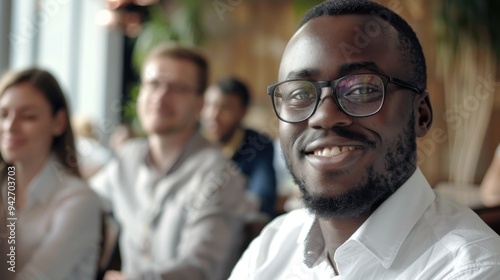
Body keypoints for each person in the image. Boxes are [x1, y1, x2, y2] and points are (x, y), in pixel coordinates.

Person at [230, 1, 500, 279]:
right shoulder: (271, 247)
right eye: (300, 94)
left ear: (421, 114)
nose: (324, 116)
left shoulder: (470, 268)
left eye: (361, 89)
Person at [90, 43, 246, 280]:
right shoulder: (127, 158)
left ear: (200, 104)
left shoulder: (219, 176)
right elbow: (84, 199)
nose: (161, 97)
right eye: (153, 84)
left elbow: (199, 268)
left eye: (178, 88)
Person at [0, 68, 101, 280]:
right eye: (3, 114)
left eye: (28, 116)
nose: (10, 126)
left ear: (58, 122)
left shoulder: (79, 199)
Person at [201, 76, 277, 218]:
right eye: (209, 105)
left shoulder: (258, 145)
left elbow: (263, 198)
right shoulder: (191, 141)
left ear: (242, 113)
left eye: (225, 108)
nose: (213, 115)